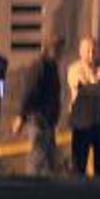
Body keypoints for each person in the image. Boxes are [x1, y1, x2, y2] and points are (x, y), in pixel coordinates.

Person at [67, 35, 100, 178]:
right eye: (88, 51)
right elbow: (81, 82)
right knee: (79, 166)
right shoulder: (75, 69)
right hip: (82, 124)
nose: (91, 55)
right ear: (81, 52)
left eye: (93, 51)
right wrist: (98, 79)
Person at [15, 36, 64, 177]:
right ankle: (33, 185)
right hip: (38, 119)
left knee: (48, 158)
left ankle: (45, 185)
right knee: (38, 157)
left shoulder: (52, 67)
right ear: (48, 50)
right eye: (57, 50)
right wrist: (21, 116)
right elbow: (29, 92)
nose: (60, 54)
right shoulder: (39, 67)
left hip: (48, 120)